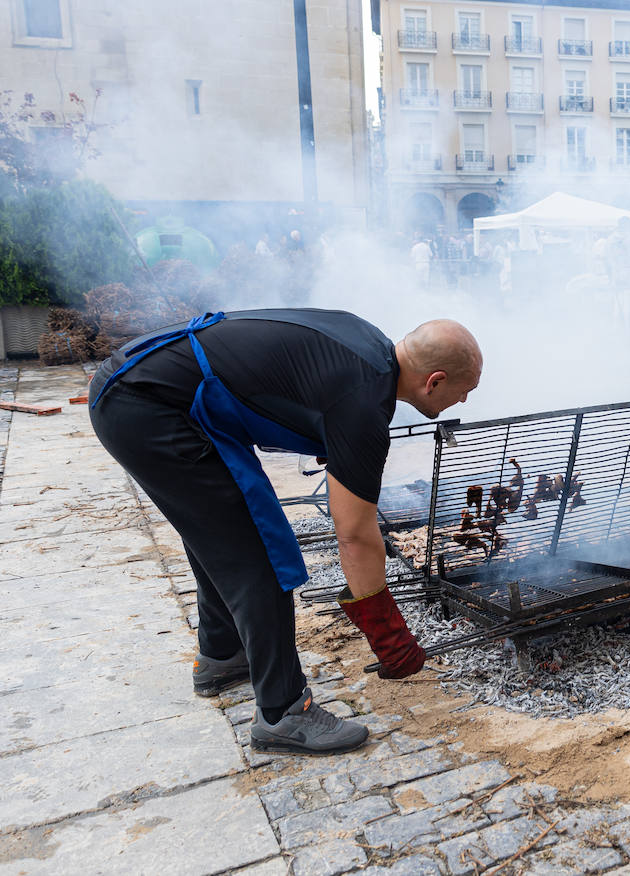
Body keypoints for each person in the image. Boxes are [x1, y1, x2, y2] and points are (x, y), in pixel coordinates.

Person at [87, 310, 483, 754]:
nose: (464, 402)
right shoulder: (363, 403)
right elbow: (354, 534)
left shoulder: (369, 347)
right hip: (146, 405)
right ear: (434, 380)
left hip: (141, 385)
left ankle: (223, 655)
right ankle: (283, 713)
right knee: (261, 553)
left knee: (224, 534)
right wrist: (388, 635)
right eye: (464, 392)